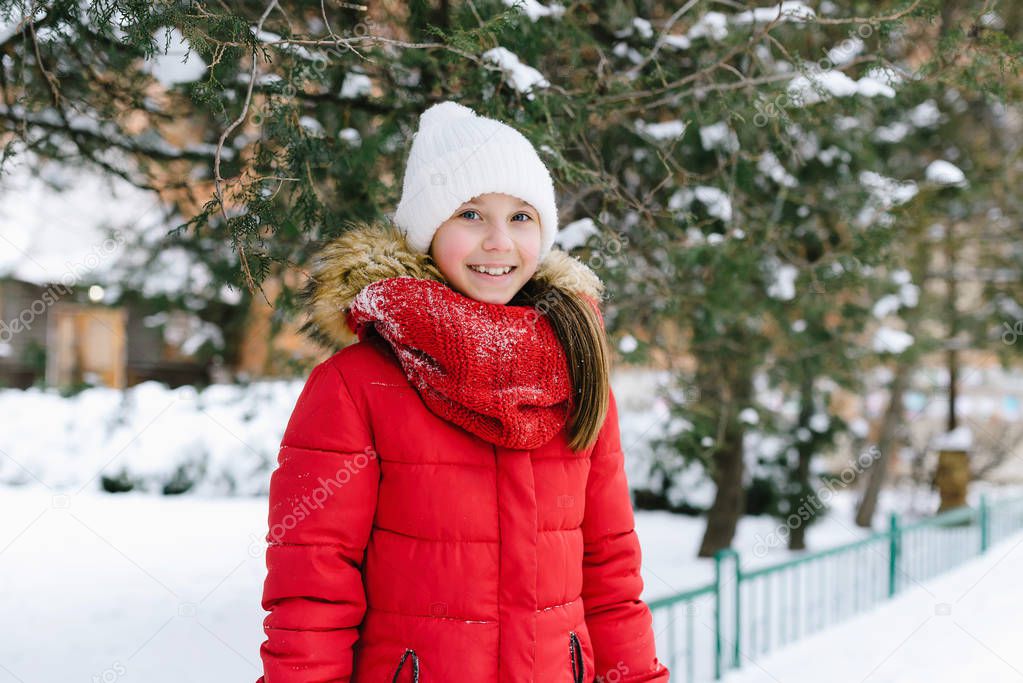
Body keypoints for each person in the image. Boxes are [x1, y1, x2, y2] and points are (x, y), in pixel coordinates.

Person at [257, 101, 670, 682]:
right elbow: (313, 588)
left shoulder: (578, 369)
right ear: (429, 229)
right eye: (471, 214)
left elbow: (611, 574)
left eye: (521, 217)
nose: (499, 242)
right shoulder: (355, 385)